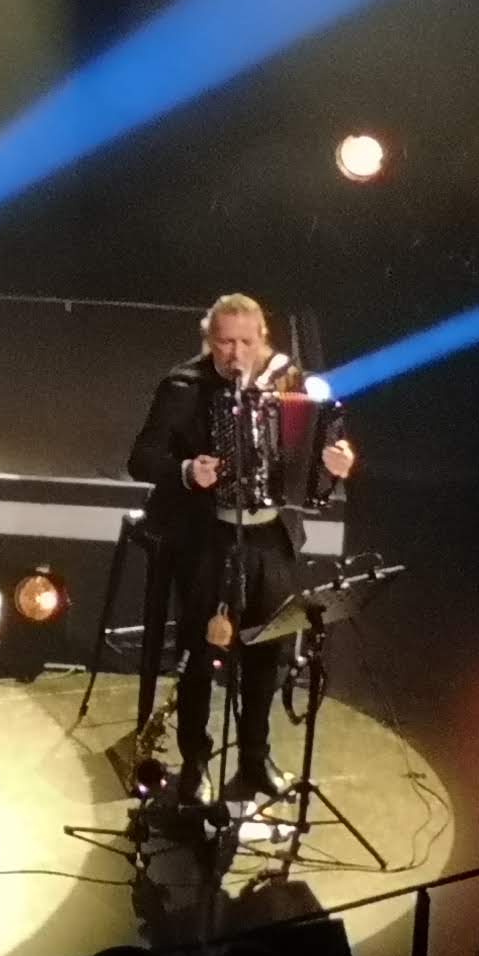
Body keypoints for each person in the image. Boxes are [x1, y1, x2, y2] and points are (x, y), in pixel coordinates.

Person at [125, 293, 355, 808]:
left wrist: (335, 465)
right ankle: (195, 763)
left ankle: (255, 757)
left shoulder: (288, 381)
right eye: (225, 343)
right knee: (200, 653)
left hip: (270, 537)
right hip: (205, 537)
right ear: (209, 341)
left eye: (246, 342)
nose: (235, 354)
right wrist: (188, 471)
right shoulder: (184, 385)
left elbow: (319, 451)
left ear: (262, 339)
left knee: (267, 652)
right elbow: (141, 458)